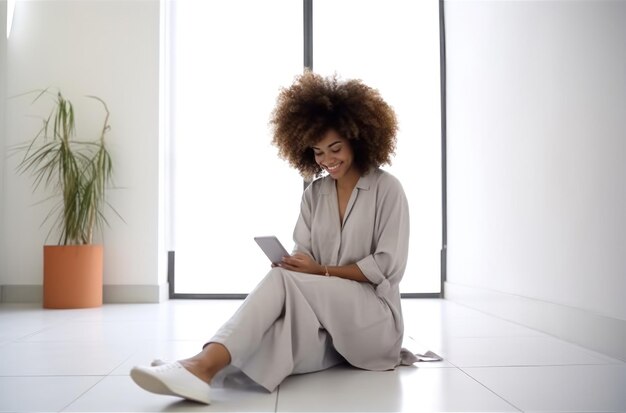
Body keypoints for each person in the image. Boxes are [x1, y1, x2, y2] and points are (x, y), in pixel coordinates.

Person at [130, 71, 419, 405]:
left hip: (374, 324)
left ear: (358, 138)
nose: (327, 160)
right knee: (277, 337)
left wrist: (319, 271)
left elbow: (387, 267)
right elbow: (304, 257)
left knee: (282, 282)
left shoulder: (387, 189)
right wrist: (297, 264)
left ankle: (199, 365)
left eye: (335, 148)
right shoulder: (314, 193)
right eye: (318, 152)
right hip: (330, 329)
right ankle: (197, 370)